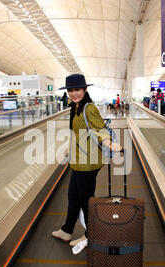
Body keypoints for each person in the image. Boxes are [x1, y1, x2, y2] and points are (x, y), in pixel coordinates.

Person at [51, 74, 121, 247]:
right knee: (73, 196)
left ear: (85, 90)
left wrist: (107, 141)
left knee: (86, 200)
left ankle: (91, 235)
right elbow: (79, 132)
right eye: (71, 90)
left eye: (77, 90)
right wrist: (70, 148)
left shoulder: (88, 108)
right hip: (78, 160)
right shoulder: (75, 107)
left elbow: (99, 128)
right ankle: (67, 230)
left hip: (88, 163)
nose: (74, 93)